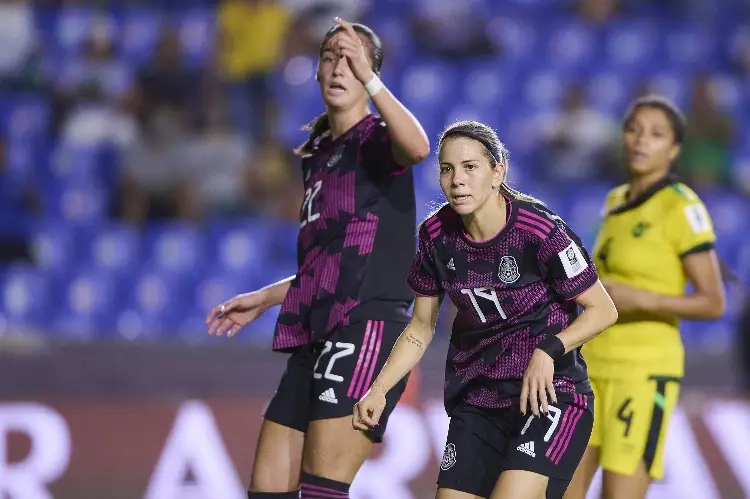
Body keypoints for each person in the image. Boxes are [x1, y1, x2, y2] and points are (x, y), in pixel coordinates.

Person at [205, 18, 430, 499]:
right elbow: (327, 262)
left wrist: (372, 80)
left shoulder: (376, 138)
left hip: (366, 325)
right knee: (268, 488)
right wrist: (266, 297)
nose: (337, 68)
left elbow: (418, 146)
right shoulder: (318, 155)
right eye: (329, 58)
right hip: (317, 329)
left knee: (322, 491)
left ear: (369, 72)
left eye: (350, 60)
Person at [353, 120, 619, 499]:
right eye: (447, 169)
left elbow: (603, 309)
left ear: (498, 172)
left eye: (470, 167)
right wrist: (378, 389)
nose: (457, 179)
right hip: (476, 402)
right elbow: (420, 328)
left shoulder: (538, 230)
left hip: (549, 395)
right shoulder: (434, 236)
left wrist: (549, 350)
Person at [563, 96, 726, 499]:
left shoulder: (681, 207)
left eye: (656, 134)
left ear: (674, 149)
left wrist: (642, 299)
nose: (640, 141)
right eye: (634, 129)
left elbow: (713, 302)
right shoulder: (616, 200)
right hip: (591, 366)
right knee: (563, 489)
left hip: (643, 371)